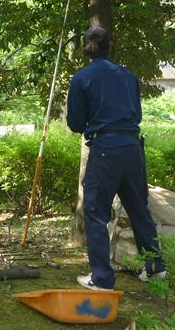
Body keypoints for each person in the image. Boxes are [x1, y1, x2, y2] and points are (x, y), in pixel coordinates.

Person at [66, 27, 166, 291]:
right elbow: (138, 116)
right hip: (133, 146)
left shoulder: (81, 78)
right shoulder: (130, 77)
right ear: (111, 46)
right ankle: (155, 268)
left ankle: (101, 278)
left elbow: (75, 123)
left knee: (96, 212)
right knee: (138, 207)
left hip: (105, 148)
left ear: (86, 48)